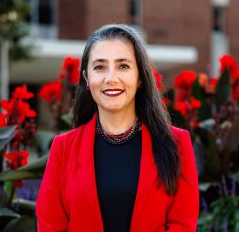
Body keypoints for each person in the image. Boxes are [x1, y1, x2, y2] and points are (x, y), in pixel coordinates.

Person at [36, 24, 199, 232]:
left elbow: (183, 225)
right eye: (100, 67)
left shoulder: (177, 145)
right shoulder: (63, 148)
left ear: (140, 77)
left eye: (123, 66)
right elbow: (50, 227)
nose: (111, 78)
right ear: (87, 79)